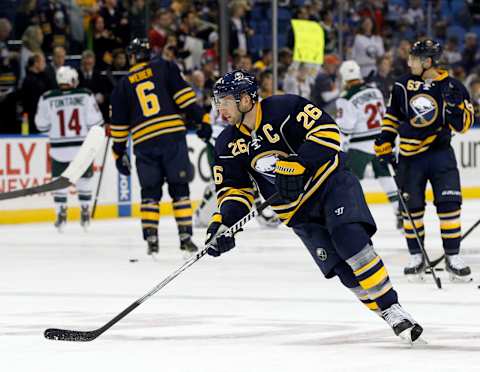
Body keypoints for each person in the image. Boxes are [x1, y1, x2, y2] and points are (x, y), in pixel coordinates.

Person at [206, 69, 424, 344]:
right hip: (297, 212)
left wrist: (299, 163)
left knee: (350, 241)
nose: (220, 108)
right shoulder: (226, 142)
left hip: (330, 185)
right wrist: (223, 223)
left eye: (226, 100)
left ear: (247, 99)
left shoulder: (285, 107)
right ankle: (388, 313)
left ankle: (392, 306)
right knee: (343, 271)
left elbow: (328, 131)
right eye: (218, 100)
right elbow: (234, 189)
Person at [374, 39, 475, 281]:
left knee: (450, 206)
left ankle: (453, 256)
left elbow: (463, 127)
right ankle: (416, 256)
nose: (409, 62)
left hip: (441, 154)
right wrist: (385, 140)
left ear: (428, 62)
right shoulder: (401, 85)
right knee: (412, 210)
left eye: (414, 58)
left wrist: (453, 107)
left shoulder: (453, 86)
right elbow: (392, 116)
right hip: (410, 158)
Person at [109, 38, 212, 255]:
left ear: (132, 56)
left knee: (150, 192)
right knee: (180, 189)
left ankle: (152, 240)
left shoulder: (122, 86)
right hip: (172, 138)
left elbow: (118, 128)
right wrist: (202, 120)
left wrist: (118, 154)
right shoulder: (165, 67)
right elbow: (185, 99)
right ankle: (185, 237)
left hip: (144, 143)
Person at [35, 66, 104, 231]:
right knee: (85, 182)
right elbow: (96, 123)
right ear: (72, 80)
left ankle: (61, 213)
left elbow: (41, 126)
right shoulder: (85, 94)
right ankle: (85, 212)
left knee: (59, 183)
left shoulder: (46, 98)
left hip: (59, 150)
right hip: (82, 149)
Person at [336, 60, 401, 229]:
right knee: (385, 176)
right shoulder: (375, 90)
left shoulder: (346, 98)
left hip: (360, 146)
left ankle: (350, 216)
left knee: (348, 181)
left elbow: (346, 128)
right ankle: (399, 211)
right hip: (381, 142)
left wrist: (340, 148)